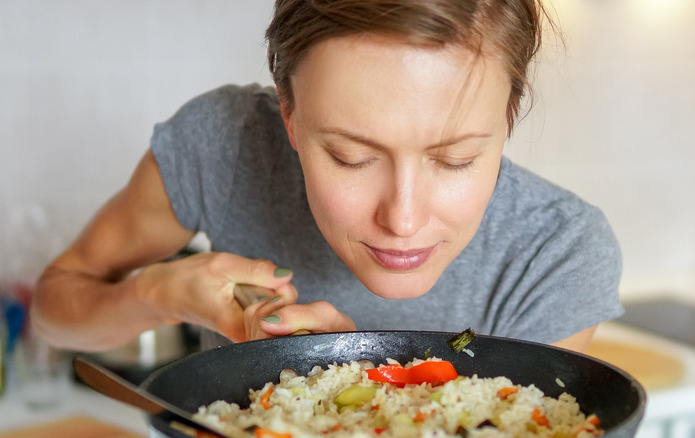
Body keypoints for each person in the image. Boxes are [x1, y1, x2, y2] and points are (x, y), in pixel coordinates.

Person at [31, 0, 622, 354]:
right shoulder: (225, 146)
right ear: (289, 115)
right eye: (350, 157)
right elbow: (53, 313)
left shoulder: (558, 254)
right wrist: (157, 294)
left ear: (509, 115)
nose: (403, 219)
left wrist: (347, 371)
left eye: (455, 159)